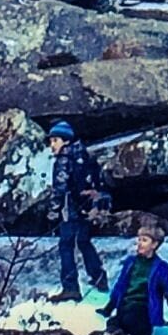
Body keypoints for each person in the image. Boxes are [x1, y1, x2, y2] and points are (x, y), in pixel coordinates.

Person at [45, 120, 110, 302]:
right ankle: (99, 277)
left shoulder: (63, 160)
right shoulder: (84, 155)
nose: (52, 145)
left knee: (66, 245)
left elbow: (60, 188)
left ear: (65, 141)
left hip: (70, 208)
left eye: (54, 140)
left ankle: (70, 287)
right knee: (83, 241)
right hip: (87, 206)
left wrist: (52, 213)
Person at [105, 221, 168, 335]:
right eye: (139, 239)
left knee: (131, 319)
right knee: (112, 324)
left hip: (143, 312)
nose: (139, 243)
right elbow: (120, 285)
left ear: (154, 244)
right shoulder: (131, 262)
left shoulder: (161, 268)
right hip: (125, 308)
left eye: (144, 240)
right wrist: (110, 306)